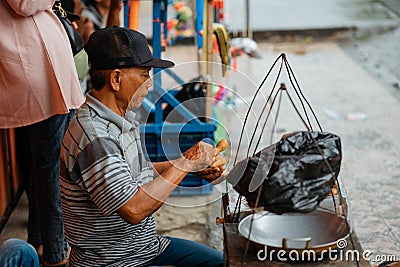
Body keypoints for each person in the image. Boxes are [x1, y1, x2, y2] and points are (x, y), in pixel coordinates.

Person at [60, 26, 225, 267]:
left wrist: (189, 168)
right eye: (144, 74)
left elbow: (135, 175)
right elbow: (134, 209)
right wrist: (184, 162)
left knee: (223, 262)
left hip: (145, 248)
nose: (149, 84)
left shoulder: (118, 117)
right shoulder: (95, 136)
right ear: (116, 79)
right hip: (115, 261)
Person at [0, 1, 85, 266]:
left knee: (49, 167)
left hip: (47, 70)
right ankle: (56, 252)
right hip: (37, 74)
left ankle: (43, 240)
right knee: (53, 171)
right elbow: (24, 4)